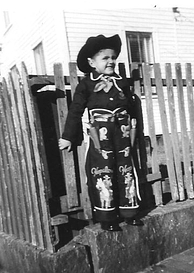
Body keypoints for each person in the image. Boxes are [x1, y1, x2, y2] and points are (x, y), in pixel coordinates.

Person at [59, 34, 143, 231]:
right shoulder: (87, 85)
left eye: (113, 57)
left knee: (126, 171)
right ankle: (107, 218)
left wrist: (133, 129)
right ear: (91, 62)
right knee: (103, 172)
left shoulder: (122, 83)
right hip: (101, 136)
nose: (111, 61)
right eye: (105, 58)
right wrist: (68, 137)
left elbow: (130, 107)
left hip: (122, 134)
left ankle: (129, 212)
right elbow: (75, 111)